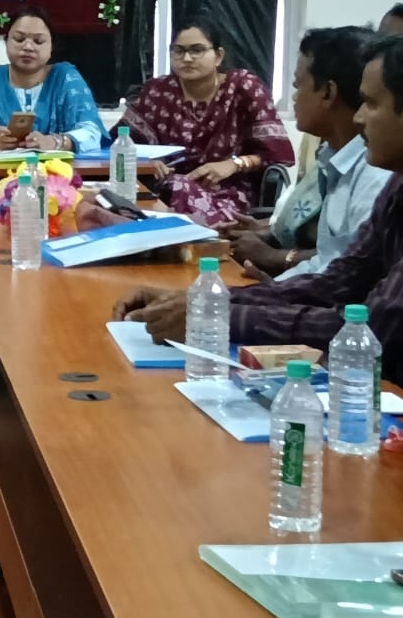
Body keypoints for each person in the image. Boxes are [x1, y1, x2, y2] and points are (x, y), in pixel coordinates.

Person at [114, 34, 403, 382]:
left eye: (371, 104)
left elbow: (374, 328)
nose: (359, 117)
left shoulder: (377, 176)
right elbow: (336, 283)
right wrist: (204, 301)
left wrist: (223, 316)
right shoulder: (396, 185)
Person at [228, 26, 390, 280]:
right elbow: (327, 265)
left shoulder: (376, 173)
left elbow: (349, 280)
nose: (294, 97)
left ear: (327, 93)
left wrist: (275, 268)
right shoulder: (332, 157)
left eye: (298, 85)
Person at [116, 16, 295, 226]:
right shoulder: (158, 92)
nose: (187, 58)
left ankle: (196, 235)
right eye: (179, 50)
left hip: (229, 192)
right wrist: (146, 162)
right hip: (165, 190)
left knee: (175, 195)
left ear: (218, 56)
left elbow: (277, 153)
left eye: (197, 50)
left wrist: (235, 164)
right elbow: (119, 143)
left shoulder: (243, 88)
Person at [0, 5, 107, 155]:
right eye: (19, 39)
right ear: (6, 41)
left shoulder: (66, 79)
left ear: (51, 47)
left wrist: (55, 142)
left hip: (56, 175)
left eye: (38, 41)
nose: (28, 47)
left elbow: (92, 134)